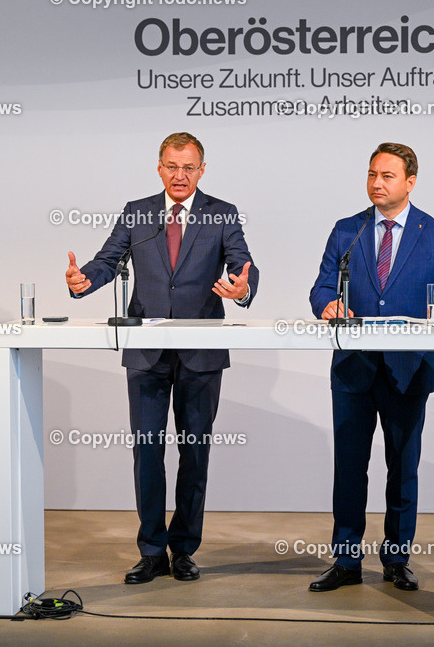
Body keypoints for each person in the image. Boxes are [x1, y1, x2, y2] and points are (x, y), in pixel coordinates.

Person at [65, 132, 259, 584]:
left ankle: (185, 549)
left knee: (195, 454)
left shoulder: (222, 214)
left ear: (202, 171)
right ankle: (152, 550)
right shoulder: (138, 213)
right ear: (159, 167)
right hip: (146, 352)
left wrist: (242, 287)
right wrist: (83, 281)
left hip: (201, 352)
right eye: (172, 166)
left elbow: (242, 263)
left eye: (189, 167)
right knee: (147, 452)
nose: (180, 175)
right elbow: (107, 260)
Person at [307, 142, 434, 592]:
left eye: (387, 176)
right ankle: (346, 561)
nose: (376, 184)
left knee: (402, 468)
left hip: (408, 369)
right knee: (349, 468)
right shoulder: (347, 229)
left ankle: (396, 559)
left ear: (410, 181)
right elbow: (322, 286)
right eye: (371, 174)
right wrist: (328, 304)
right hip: (354, 369)